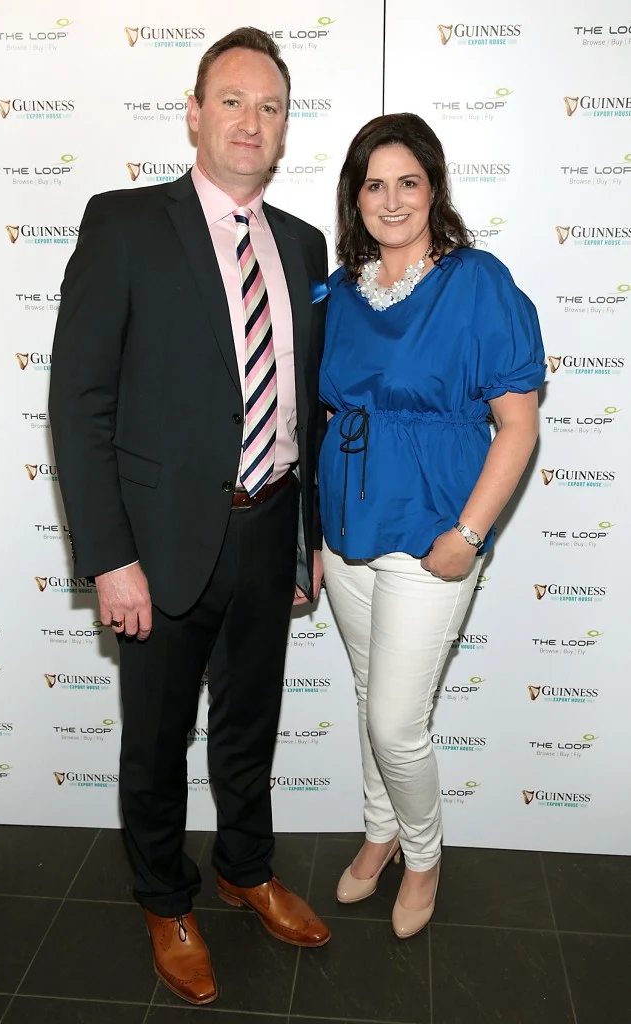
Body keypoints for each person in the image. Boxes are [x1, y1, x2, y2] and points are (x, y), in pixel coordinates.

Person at [49, 26, 330, 1006]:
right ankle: (164, 899)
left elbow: (305, 406)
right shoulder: (125, 223)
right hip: (160, 542)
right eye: (233, 100)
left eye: (270, 106)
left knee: (249, 725)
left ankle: (244, 868)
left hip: (271, 524)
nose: (251, 121)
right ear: (195, 113)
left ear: (285, 126)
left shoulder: (303, 244)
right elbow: (79, 401)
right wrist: (109, 557)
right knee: (156, 739)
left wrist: (306, 538)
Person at [318, 113, 544, 938]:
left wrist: (470, 534)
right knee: (365, 696)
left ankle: (422, 855)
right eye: (372, 185)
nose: (390, 200)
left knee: (394, 721)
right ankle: (379, 830)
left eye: (406, 182)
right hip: (347, 531)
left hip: (434, 530)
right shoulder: (339, 291)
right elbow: (326, 414)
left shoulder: (476, 282)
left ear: (434, 188)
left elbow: (517, 425)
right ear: (354, 198)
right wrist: (314, 532)